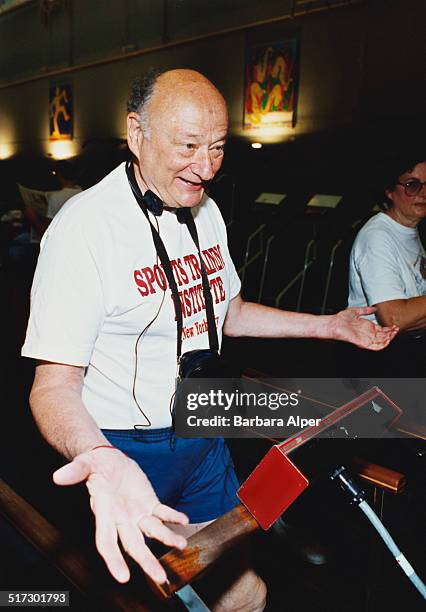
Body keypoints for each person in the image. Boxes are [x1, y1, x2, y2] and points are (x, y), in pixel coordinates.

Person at [22, 68, 397, 610]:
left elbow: (230, 311)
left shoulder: (207, 209)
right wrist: (100, 457)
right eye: (189, 146)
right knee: (158, 596)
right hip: (127, 450)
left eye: (218, 148)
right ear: (136, 133)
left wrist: (330, 324)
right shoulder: (84, 230)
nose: (206, 167)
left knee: (243, 589)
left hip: (203, 425)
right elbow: (51, 387)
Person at [348, 154, 426, 373]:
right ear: (390, 191)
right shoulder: (377, 236)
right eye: (412, 185)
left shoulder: (410, 229)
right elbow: (395, 318)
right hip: (379, 358)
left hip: (407, 350)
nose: (423, 192)